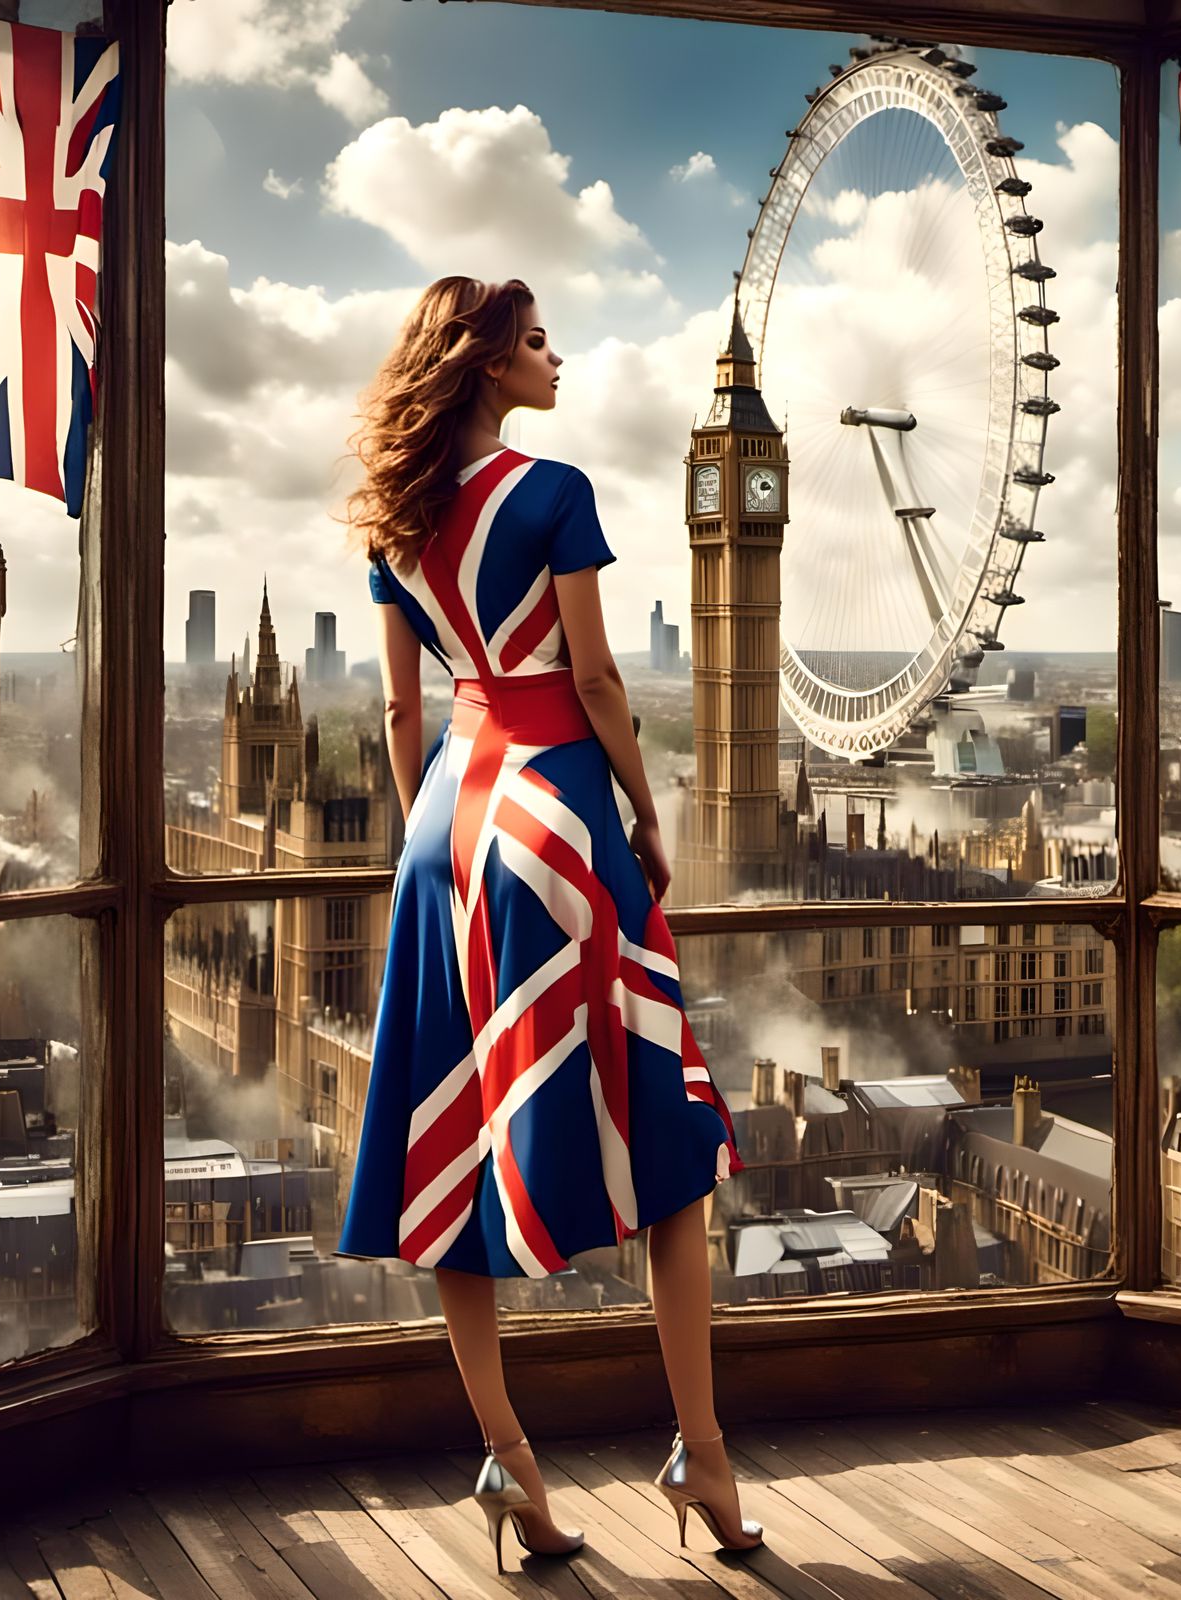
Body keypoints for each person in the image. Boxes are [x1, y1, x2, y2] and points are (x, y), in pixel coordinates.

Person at [335, 275, 764, 1572]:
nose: (554, 356)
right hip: (559, 818)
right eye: (532, 341)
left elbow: (406, 720)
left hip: (445, 836)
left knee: (450, 1146)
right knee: (670, 1148)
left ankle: (507, 1462)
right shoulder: (554, 492)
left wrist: (440, 850)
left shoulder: (392, 523)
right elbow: (592, 677)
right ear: (481, 366)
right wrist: (642, 811)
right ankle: (699, 1452)